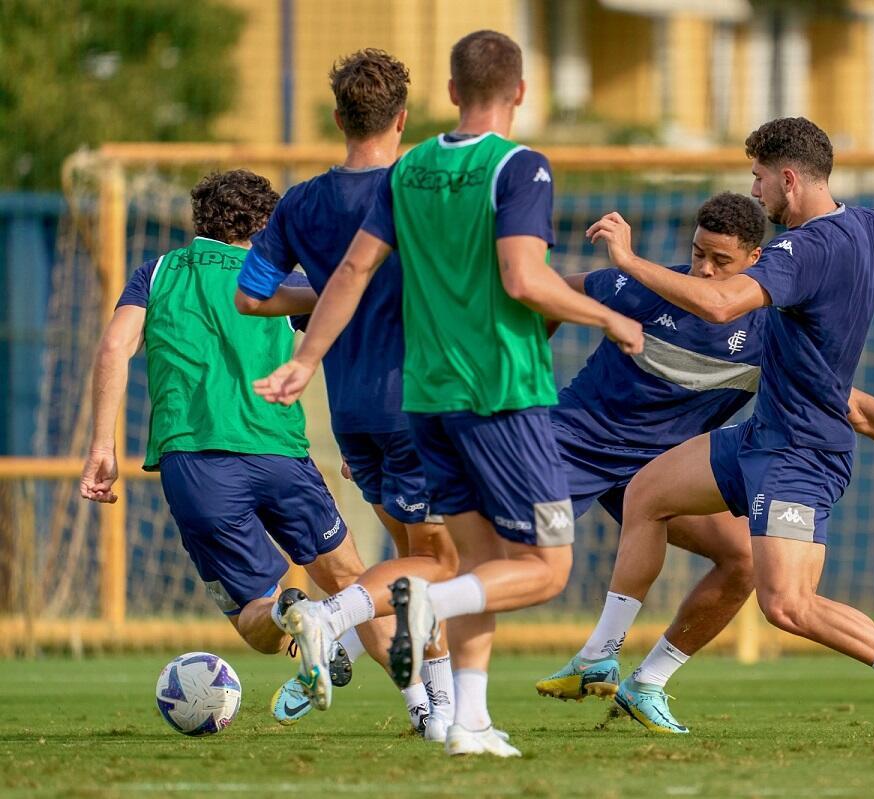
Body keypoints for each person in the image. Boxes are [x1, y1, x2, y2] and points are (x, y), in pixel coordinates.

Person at [254, 30, 643, 757]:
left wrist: (306, 359)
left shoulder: (411, 171)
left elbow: (351, 272)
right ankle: (401, 607)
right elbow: (524, 278)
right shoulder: (518, 166)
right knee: (543, 569)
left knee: (476, 562)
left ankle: (468, 721)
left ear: (454, 92)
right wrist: (607, 315)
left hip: (426, 398)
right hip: (501, 393)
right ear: (521, 92)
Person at [536, 192, 874, 731]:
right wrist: (527, 378)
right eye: (698, 254)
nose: (704, 269)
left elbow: (856, 407)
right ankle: (608, 663)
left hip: (792, 457)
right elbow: (548, 293)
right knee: (635, 500)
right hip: (590, 443)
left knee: (785, 601)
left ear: (755, 261)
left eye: (720, 260)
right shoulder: (645, 288)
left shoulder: (770, 326)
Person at [79, 171, 387, 716]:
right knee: (355, 586)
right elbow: (345, 342)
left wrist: (103, 445)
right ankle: (429, 705)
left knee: (255, 615)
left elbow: (113, 349)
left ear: (200, 219)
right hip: (281, 457)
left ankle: (289, 613)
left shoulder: (157, 273)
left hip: (196, 465)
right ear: (267, 226)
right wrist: (356, 440)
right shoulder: (280, 281)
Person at [234, 49, 457, 739]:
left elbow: (251, 296)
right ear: (403, 118)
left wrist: (331, 296)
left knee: (415, 567)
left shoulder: (302, 201)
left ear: (337, 118)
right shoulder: (421, 188)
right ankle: (330, 619)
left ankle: (432, 712)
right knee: (441, 563)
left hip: (352, 412)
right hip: (418, 406)